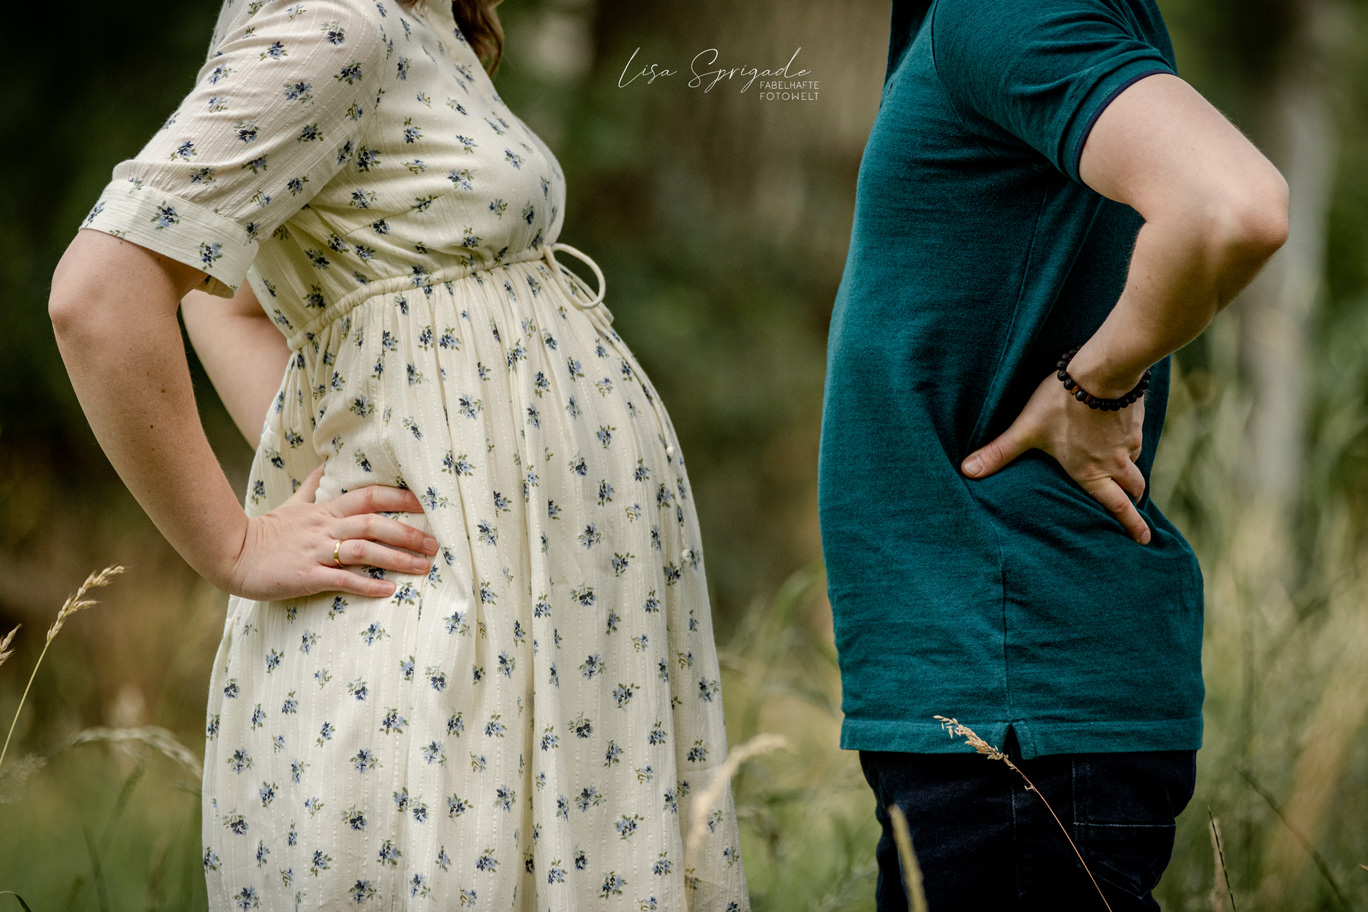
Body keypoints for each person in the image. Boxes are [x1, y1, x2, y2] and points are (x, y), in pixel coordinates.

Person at [49, 0, 750, 908]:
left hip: (533, 611)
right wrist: (237, 544)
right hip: (443, 615)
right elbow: (101, 294)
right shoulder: (336, 27)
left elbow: (234, 302)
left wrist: (363, 447)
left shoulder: (422, 23)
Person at [818, 0, 1288, 909]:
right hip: (1000, 688)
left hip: (1014, 696)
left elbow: (1233, 205)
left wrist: (1097, 384)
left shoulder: (1004, 8)